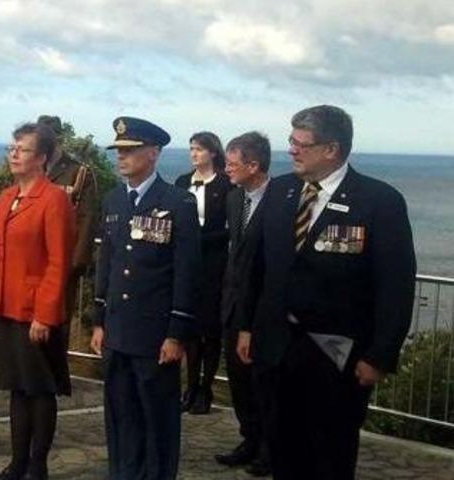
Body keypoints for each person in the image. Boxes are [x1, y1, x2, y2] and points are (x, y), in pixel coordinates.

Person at [249, 105, 416, 480]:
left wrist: (379, 356)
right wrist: (246, 327)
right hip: (276, 351)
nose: (290, 150)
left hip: (336, 357)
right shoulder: (280, 189)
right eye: (290, 141)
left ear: (331, 149)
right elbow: (256, 266)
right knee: (281, 451)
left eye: (300, 144)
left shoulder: (378, 201)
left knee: (330, 456)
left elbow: (396, 285)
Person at [90, 117, 201, 480]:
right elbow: (106, 263)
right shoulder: (113, 200)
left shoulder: (176, 202)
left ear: (152, 154)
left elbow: (186, 273)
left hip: (154, 335)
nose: (120, 157)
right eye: (118, 151)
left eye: (130, 151)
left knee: (157, 419)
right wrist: (98, 319)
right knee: (120, 413)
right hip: (118, 330)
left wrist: (176, 332)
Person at [0, 123, 75, 480]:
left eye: (23, 149)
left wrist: (45, 316)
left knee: (39, 389)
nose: (14, 154)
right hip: (5, 307)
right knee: (17, 389)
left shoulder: (54, 199)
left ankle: (37, 466)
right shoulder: (6, 197)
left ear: (43, 158)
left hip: (34, 311)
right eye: (12, 148)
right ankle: (17, 462)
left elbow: (58, 261)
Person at [214, 131, 271, 476]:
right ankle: (249, 439)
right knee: (238, 381)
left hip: (263, 311)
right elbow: (235, 255)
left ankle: (269, 448)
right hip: (233, 306)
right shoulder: (235, 200)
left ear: (253, 165)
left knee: (263, 383)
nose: (226, 170)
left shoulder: (281, 199)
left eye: (232, 164)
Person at [175, 131, 232, 414]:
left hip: (214, 265)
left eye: (198, 149)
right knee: (190, 329)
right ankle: (190, 386)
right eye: (191, 149)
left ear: (212, 152)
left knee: (210, 329)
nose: (193, 154)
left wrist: (199, 239)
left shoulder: (225, 184)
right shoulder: (183, 182)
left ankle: (206, 388)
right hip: (188, 264)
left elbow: (228, 228)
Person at [36, 115, 98, 350]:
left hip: (63, 264)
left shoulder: (78, 173)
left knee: (56, 324)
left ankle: (53, 382)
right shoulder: (33, 169)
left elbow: (87, 220)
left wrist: (75, 265)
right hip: (33, 263)